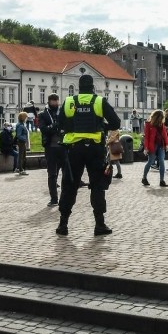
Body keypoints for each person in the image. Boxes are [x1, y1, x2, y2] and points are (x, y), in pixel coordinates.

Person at [56, 74, 121, 237]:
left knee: (69, 185)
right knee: (97, 186)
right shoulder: (99, 101)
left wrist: (73, 127)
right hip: (95, 149)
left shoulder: (70, 101)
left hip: (74, 149)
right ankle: (99, 224)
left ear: (79, 87)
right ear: (92, 87)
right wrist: (101, 126)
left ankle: (63, 225)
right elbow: (116, 122)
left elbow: (60, 123)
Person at [39, 94, 64, 206]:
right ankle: (54, 199)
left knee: (67, 173)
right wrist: (54, 126)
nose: (55, 103)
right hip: (51, 147)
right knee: (52, 174)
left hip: (63, 147)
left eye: (57, 101)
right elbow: (43, 129)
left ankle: (65, 197)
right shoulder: (43, 114)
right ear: (49, 102)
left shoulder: (62, 112)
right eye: (53, 101)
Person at [142, 109, 168, 187]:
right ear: (157, 117)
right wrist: (146, 147)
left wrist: (167, 144)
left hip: (161, 145)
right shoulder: (148, 124)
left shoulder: (162, 124)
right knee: (150, 161)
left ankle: (162, 180)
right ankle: (144, 178)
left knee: (161, 161)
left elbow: (165, 135)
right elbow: (146, 137)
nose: (162, 119)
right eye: (161, 117)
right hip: (152, 146)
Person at [15, 111, 29, 175]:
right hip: (21, 142)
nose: (27, 118)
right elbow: (19, 135)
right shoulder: (20, 126)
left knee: (23, 155)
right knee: (21, 156)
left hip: (22, 142)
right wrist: (24, 139)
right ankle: (20, 169)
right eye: (26, 117)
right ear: (23, 118)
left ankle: (18, 168)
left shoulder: (22, 124)